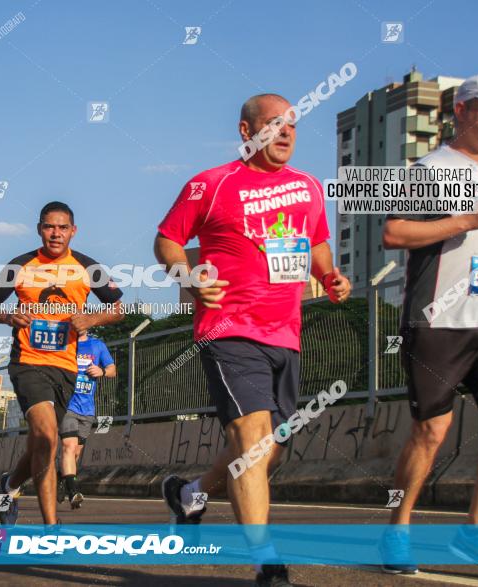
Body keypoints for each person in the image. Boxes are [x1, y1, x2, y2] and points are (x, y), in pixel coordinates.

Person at [154, 94, 350, 586]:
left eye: (292, 126)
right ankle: (267, 561)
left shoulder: (306, 187)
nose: (285, 133)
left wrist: (329, 277)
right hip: (228, 330)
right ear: (247, 131)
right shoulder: (211, 184)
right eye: (273, 124)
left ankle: (190, 493)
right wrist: (190, 275)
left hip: (285, 333)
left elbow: (317, 241)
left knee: (270, 445)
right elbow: (167, 239)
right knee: (253, 441)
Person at [380, 74, 478, 576]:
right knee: (432, 431)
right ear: (463, 111)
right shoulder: (430, 169)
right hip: (438, 319)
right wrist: (466, 220)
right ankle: (397, 530)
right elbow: (395, 232)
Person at [0, 201, 123, 526]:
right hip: (28, 361)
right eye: (48, 226)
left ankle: (9, 485)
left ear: (73, 231)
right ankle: (51, 527)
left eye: (62, 227)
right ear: (39, 229)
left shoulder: (88, 267)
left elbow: (118, 308)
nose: (55, 233)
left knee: (42, 443)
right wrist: (6, 316)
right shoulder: (20, 265)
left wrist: (92, 318)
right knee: (47, 437)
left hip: (67, 367)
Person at [57, 330, 116, 509]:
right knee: (68, 447)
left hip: (87, 409)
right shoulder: (64, 343)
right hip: (67, 405)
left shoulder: (98, 345)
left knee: (75, 453)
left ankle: (62, 479)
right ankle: (74, 492)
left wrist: (102, 371)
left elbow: (113, 370)